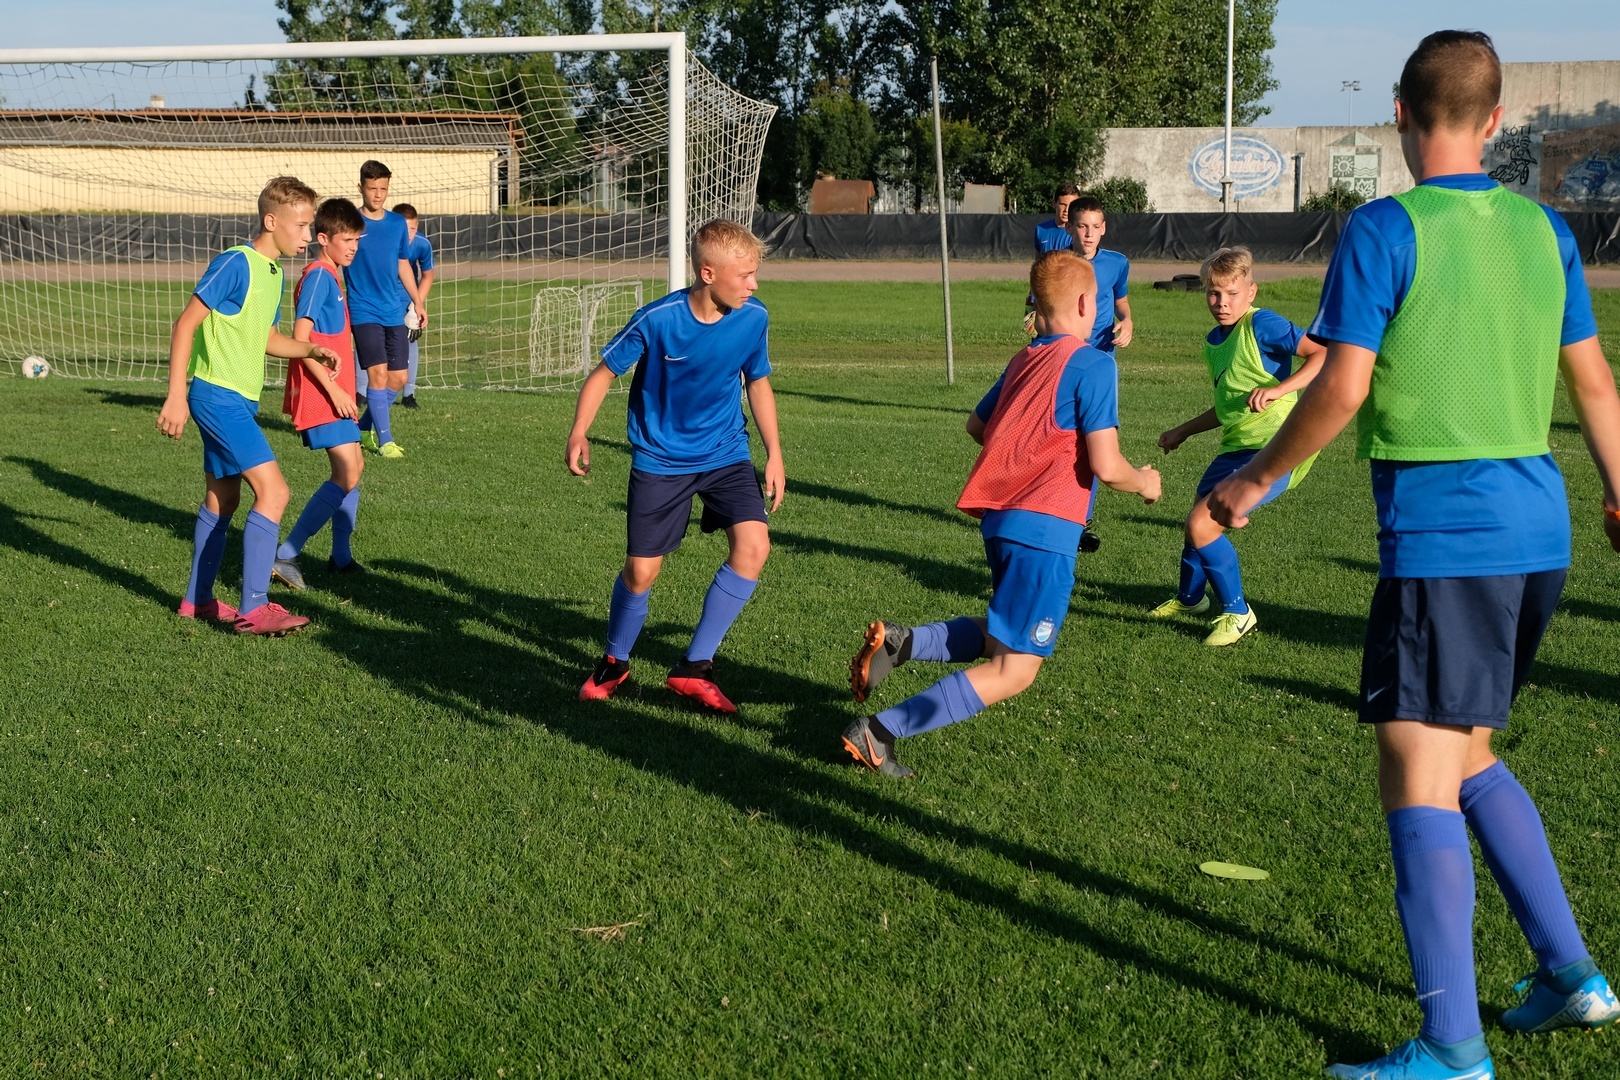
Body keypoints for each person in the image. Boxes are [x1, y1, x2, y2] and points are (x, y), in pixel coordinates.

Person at [1208, 30, 1620, 1080]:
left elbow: (1341, 388)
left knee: (1416, 772)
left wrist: (1252, 481)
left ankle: (1451, 1048)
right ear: (1496, 123)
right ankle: (1571, 975)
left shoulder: (1384, 228)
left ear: (1398, 112)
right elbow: (1595, 383)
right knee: (1466, 754)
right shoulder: (1546, 231)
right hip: (1542, 532)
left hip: (1449, 540)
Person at [843, 250, 1160, 778]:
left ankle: (903, 643)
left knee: (999, 636)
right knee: (1014, 669)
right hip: (1046, 532)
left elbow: (977, 424)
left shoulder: (1023, 360)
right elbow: (1107, 466)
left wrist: (1026, 454)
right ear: (1088, 304)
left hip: (1003, 524)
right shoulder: (1094, 364)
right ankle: (880, 732)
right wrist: (1146, 481)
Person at [568, 219, 785, 713]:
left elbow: (758, 382)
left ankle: (694, 668)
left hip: (726, 452)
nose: (754, 285)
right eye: (745, 275)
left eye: (755, 274)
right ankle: (615, 662)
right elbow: (603, 374)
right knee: (641, 572)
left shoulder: (753, 318)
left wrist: (774, 452)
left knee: (754, 547)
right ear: (708, 274)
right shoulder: (658, 319)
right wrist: (579, 431)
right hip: (661, 459)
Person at [155, 175, 339, 637]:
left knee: (224, 499)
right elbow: (185, 324)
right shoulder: (236, 262)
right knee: (275, 493)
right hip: (216, 396)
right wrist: (176, 394)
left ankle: (197, 600)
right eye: (301, 225)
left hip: (236, 399)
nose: (307, 234)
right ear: (271, 221)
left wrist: (310, 349)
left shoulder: (273, 273)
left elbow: (268, 338)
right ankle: (255, 607)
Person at [1150, 246, 1327, 646]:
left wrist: (1279, 388)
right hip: (1237, 446)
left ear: (1251, 292)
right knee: (1197, 519)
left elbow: (1322, 354)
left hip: (1275, 445)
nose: (1222, 302)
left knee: (1202, 524)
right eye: (1214, 293)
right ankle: (1191, 600)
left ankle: (1238, 612)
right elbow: (1228, 405)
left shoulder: (1262, 324)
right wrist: (1183, 430)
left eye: (1232, 293)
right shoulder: (1214, 341)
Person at [272, 197, 368, 590]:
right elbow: (301, 338)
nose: (353, 247)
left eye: (357, 240)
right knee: (347, 472)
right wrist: (334, 391)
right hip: (322, 393)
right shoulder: (318, 277)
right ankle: (285, 554)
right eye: (347, 240)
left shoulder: (332, 274)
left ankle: (341, 558)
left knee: (354, 468)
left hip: (337, 392)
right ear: (324, 238)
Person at [346, 160, 426, 458]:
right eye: (372, 188)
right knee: (378, 375)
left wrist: (417, 302)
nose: (378, 194)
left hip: (393, 311)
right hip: (363, 310)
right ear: (361, 188)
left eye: (383, 188)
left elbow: (403, 263)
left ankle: (363, 428)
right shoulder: (351, 222)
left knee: (399, 378)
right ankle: (386, 441)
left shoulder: (396, 224)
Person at [1063, 196, 1133, 354]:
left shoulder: (1117, 263)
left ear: (1103, 228)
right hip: (1066, 350)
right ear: (1069, 227)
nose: (1089, 234)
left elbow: (1120, 301)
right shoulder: (1056, 264)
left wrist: (1127, 321)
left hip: (1102, 349)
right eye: (1082, 226)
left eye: (1095, 227)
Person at [395, 202, 434, 409]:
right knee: (371, 342)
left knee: (410, 340)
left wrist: (415, 306)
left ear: (417, 226)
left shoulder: (421, 244)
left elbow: (428, 276)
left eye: (411, 228)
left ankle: (409, 394)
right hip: (382, 299)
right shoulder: (384, 241)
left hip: (407, 299)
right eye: (403, 229)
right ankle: (361, 391)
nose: (407, 234)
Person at [1033, 181, 1081, 254]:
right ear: (1054, 204)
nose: (1066, 210)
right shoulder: (1040, 230)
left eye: (1071, 205)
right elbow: (1038, 259)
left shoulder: (1080, 232)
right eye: (1063, 204)